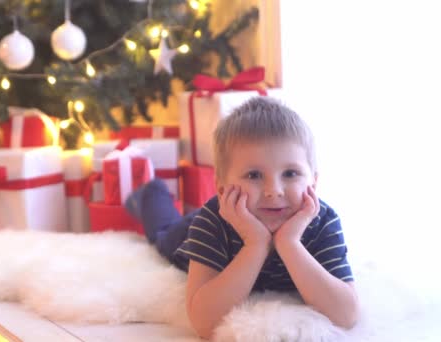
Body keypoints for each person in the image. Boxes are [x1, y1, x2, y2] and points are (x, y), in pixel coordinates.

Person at [124, 97, 359, 339]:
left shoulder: (322, 221)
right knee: (162, 234)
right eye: (254, 175)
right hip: (211, 223)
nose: (274, 191)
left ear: (314, 181)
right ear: (222, 187)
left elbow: (347, 314)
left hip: (249, 215)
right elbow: (204, 323)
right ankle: (150, 193)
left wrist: (290, 244)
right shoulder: (211, 222)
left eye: (290, 173)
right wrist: (255, 245)